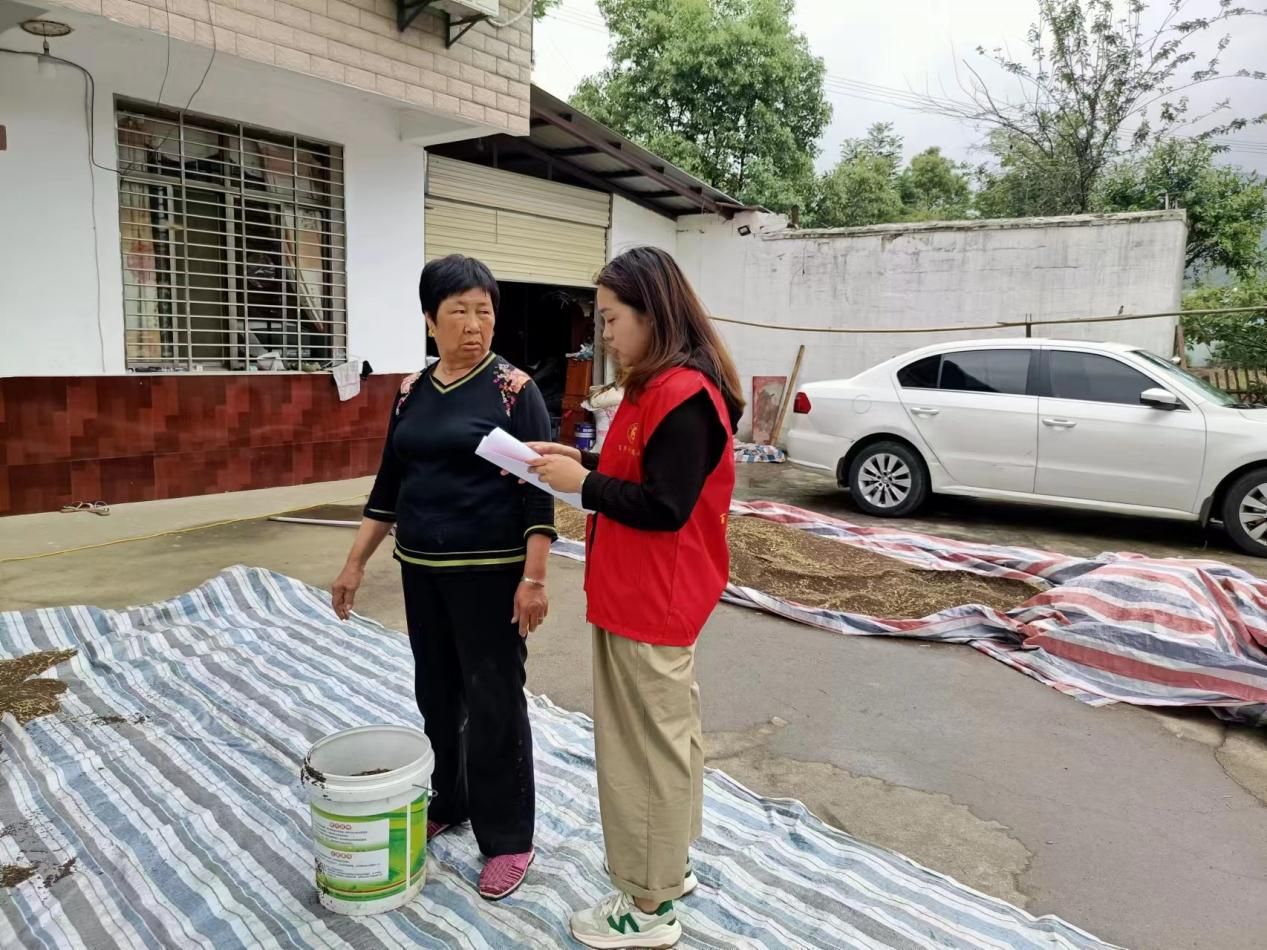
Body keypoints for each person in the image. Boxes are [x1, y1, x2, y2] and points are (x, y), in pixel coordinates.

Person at [528, 246, 743, 948]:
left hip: (653, 599)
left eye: (613, 317)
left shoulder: (683, 395)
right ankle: (668, 866)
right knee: (666, 738)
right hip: (638, 592)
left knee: (642, 755)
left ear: (653, 313)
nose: (606, 333)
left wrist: (582, 485)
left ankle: (647, 908)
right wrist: (577, 463)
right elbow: (637, 471)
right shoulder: (655, 388)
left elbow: (665, 505)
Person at [331, 254, 555, 901]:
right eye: (458, 311)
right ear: (430, 320)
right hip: (422, 573)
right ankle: (450, 801)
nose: (474, 325)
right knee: (437, 694)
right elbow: (390, 484)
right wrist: (355, 562)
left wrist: (534, 579)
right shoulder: (412, 392)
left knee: (493, 703)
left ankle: (508, 838)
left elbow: (539, 490)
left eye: (484, 311)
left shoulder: (513, 391)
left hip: (490, 577)